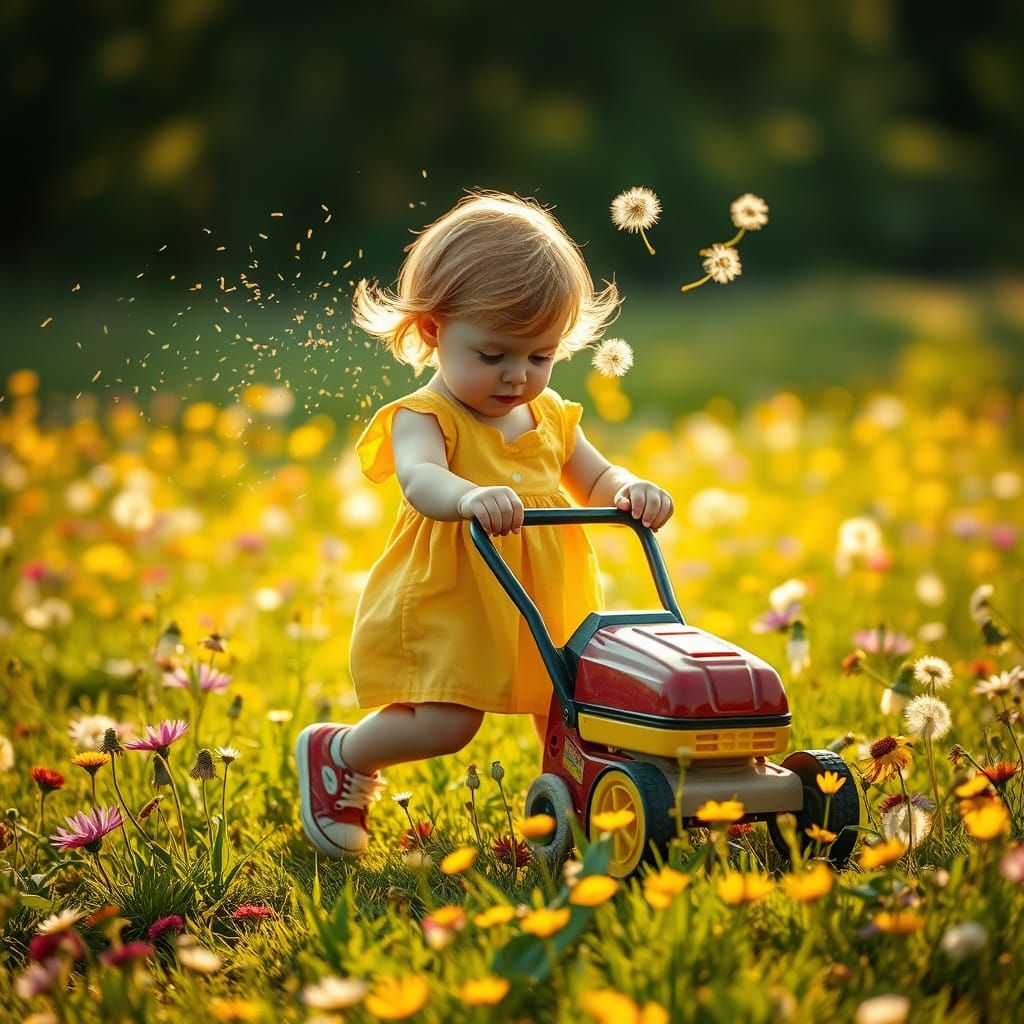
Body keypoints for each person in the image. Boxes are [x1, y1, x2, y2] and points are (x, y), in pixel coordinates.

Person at [295, 190, 674, 857]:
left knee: (575, 709)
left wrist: (631, 490)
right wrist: (469, 495)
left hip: (545, 594)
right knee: (447, 721)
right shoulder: (426, 415)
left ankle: (585, 803)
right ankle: (343, 753)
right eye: (494, 355)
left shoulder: (550, 413)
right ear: (435, 330)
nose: (518, 377)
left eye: (540, 357)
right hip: (459, 592)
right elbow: (420, 478)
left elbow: (595, 477)